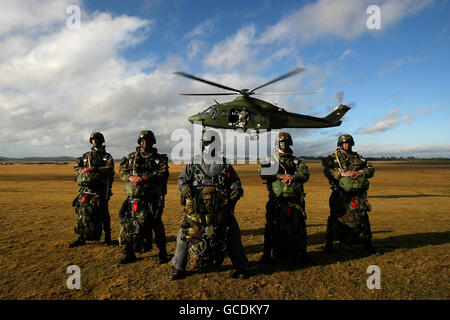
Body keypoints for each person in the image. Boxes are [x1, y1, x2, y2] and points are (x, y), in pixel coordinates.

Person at [171, 131, 249, 280]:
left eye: (212, 143)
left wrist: (236, 190)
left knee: (233, 233)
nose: (209, 146)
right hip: (197, 210)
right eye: (207, 143)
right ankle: (178, 268)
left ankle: (241, 267)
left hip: (221, 209)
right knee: (183, 235)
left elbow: (235, 182)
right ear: (203, 144)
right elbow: (181, 179)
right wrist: (184, 186)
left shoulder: (225, 164)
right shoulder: (193, 163)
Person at [118, 130, 169, 264]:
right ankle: (129, 253)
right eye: (142, 140)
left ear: (152, 142)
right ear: (139, 142)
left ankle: (162, 253)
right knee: (127, 225)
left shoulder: (160, 159)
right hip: (133, 198)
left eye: (148, 140)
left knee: (156, 225)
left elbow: (163, 174)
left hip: (153, 198)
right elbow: (122, 170)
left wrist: (145, 177)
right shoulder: (131, 157)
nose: (145, 142)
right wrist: (130, 176)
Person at [259, 132, 310, 265]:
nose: (284, 144)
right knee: (270, 227)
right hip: (276, 200)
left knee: (299, 228)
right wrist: (280, 176)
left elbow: (305, 174)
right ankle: (266, 255)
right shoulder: (271, 159)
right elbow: (263, 172)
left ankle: (302, 254)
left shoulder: (296, 161)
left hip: (295, 201)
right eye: (281, 142)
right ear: (277, 144)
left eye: (286, 142)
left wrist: (293, 177)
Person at [322, 134, 379, 254]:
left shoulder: (359, 158)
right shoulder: (332, 158)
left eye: (348, 143)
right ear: (340, 144)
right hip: (339, 194)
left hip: (357, 194)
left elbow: (370, 169)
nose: (347, 145)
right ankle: (329, 244)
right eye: (344, 143)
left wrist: (361, 172)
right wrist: (341, 174)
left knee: (362, 217)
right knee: (335, 218)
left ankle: (368, 244)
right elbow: (327, 170)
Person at [69, 132, 114, 247]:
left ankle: (108, 237)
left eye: (97, 139)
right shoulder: (85, 156)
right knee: (82, 212)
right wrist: (82, 170)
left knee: (103, 213)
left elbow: (109, 168)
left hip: (101, 189)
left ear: (102, 140)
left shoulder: (107, 156)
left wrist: (94, 169)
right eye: (93, 139)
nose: (95, 141)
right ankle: (81, 237)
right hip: (85, 189)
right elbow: (76, 167)